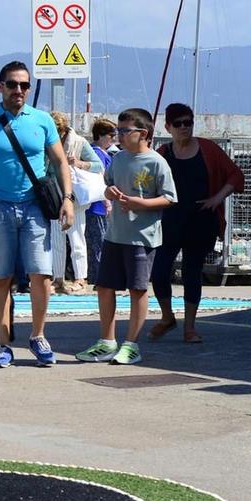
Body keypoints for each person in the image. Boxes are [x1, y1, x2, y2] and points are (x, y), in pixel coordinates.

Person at [0, 61, 74, 367]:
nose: (19, 90)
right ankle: (3, 343)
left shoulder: (42, 120)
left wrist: (67, 199)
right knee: (0, 277)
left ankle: (38, 336)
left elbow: (60, 162)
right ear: (0, 87)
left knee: (41, 275)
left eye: (25, 85)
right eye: (12, 84)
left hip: (35, 207)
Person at [75, 109, 175, 365]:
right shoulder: (118, 159)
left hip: (141, 237)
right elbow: (107, 184)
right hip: (115, 234)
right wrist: (109, 192)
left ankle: (131, 344)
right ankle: (107, 341)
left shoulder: (156, 162)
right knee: (104, 287)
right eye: (117, 130)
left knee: (137, 289)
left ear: (143, 133)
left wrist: (141, 203)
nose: (119, 135)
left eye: (124, 131)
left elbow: (169, 198)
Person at [152, 103, 246, 344]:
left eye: (189, 122)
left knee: (192, 272)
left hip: (201, 220)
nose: (184, 127)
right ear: (168, 127)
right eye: (178, 124)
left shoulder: (208, 149)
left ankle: (190, 328)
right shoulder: (162, 153)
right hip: (170, 221)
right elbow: (149, 182)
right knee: (159, 272)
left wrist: (217, 198)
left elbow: (235, 175)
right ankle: (167, 317)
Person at [50, 110, 106, 293]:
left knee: (77, 238)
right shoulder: (46, 143)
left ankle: (80, 278)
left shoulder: (79, 142)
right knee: (56, 239)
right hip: (54, 195)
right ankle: (58, 278)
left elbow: (98, 165)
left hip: (75, 198)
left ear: (63, 130)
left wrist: (79, 163)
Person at [84, 117, 117, 288]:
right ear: (102, 135)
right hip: (97, 206)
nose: (114, 139)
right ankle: (98, 277)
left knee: (100, 243)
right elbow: (100, 179)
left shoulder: (100, 153)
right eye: (111, 135)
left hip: (100, 205)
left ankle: (99, 277)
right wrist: (107, 202)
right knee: (98, 243)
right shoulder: (96, 154)